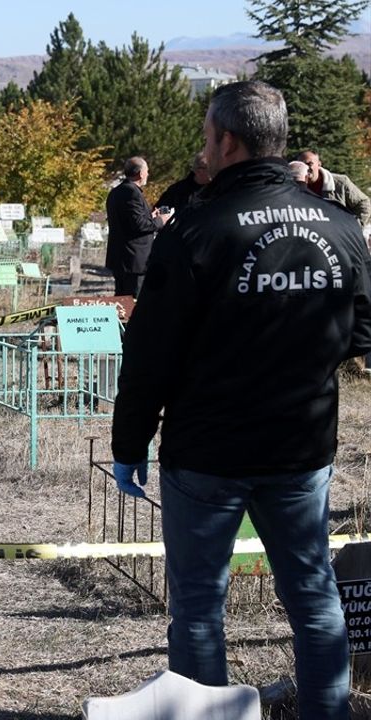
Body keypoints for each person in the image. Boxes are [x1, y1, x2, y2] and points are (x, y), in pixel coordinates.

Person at [112, 80, 371, 719]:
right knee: (314, 600)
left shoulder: (196, 231)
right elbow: (363, 332)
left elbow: (151, 355)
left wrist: (128, 444)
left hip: (209, 452)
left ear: (227, 141)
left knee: (199, 607)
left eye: (205, 135)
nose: (204, 145)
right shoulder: (340, 227)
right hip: (301, 447)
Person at [105, 157, 172, 296]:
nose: (148, 174)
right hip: (133, 260)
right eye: (147, 171)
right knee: (132, 303)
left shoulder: (116, 192)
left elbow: (128, 221)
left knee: (121, 303)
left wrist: (151, 217)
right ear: (141, 173)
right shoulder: (132, 193)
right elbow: (139, 225)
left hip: (121, 258)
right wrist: (161, 220)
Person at [298, 150, 371, 228]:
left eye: (309, 164)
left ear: (319, 164)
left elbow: (364, 203)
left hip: (339, 236)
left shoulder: (340, 183)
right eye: (302, 165)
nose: (306, 168)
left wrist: (354, 228)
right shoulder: (294, 187)